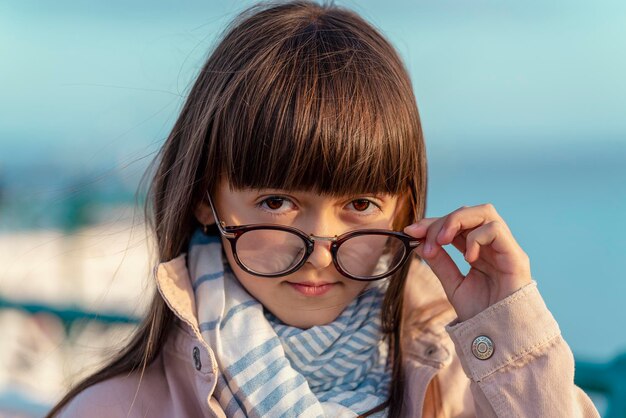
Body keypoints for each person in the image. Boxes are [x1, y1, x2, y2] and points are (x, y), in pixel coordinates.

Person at [47, 1, 600, 417]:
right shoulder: (117, 407)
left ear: (406, 208)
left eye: (360, 203)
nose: (317, 249)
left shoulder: (465, 381)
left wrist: (505, 327)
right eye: (278, 202)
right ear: (203, 197)